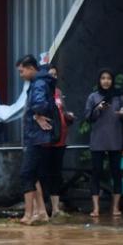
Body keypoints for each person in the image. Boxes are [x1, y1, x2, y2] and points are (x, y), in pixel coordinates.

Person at [84, 68, 123, 217]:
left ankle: (115, 207)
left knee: (116, 172)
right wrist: (98, 109)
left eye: (109, 78)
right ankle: (95, 208)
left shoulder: (119, 97)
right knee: (96, 172)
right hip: (98, 139)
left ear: (112, 80)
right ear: (99, 80)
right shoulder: (93, 96)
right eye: (103, 78)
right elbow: (87, 117)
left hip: (115, 139)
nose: (106, 81)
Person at [16, 54, 54, 225]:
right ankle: (42, 213)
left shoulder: (38, 83)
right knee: (35, 175)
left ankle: (28, 215)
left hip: (35, 137)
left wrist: (37, 114)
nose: (21, 75)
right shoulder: (39, 82)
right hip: (38, 136)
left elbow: (39, 104)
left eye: (22, 71)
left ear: (31, 68)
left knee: (26, 174)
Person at [42, 63, 75, 217]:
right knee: (44, 173)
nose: (53, 77)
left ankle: (55, 208)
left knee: (56, 173)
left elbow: (63, 111)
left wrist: (69, 116)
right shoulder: (40, 92)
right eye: (50, 74)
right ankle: (42, 207)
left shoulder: (58, 92)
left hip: (60, 140)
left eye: (55, 75)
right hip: (45, 141)